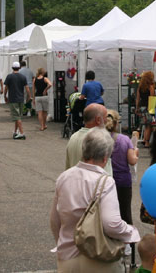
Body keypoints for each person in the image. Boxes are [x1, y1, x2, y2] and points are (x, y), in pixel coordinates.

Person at [50, 128, 140, 271]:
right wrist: (131, 232)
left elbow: (55, 220)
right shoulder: (105, 182)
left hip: (67, 257)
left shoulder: (64, 177)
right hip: (97, 257)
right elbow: (111, 224)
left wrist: (61, 243)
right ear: (105, 157)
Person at [106, 109, 137, 226]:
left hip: (106, 180)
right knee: (125, 214)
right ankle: (129, 241)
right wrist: (136, 153)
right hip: (123, 181)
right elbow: (132, 161)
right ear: (116, 123)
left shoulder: (99, 138)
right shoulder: (124, 139)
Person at [65, 103, 112, 175]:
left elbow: (68, 167)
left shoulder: (73, 137)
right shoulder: (100, 139)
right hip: (95, 185)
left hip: (75, 183)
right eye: (106, 117)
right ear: (98, 120)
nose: (107, 121)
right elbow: (105, 173)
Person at [4, 61, 29, 139]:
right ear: (19, 67)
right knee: (18, 116)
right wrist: (29, 96)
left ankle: (22, 133)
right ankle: (15, 131)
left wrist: (5, 95)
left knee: (16, 117)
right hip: (21, 98)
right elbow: (27, 88)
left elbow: (6, 87)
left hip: (13, 99)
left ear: (12, 68)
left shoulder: (9, 76)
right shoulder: (23, 77)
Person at [135, 71, 155, 148]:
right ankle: (146, 142)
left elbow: (137, 98)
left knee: (146, 124)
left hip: (142, 107)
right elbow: (152, 97)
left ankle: (144, 139)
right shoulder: (150, 86)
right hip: (148, 107)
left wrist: (137, 108)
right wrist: (152, 108)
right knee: (149, 125)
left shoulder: (140, 87)